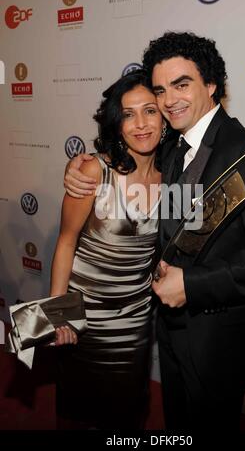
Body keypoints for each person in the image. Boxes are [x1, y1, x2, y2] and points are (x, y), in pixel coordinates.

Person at [64, 32, 245, 431]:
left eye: (182, 84)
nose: (169, 99)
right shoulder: (170, 145)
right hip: (169, 331)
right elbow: (120, 164)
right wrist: (76, 168)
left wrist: (194, 284)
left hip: (219, 339)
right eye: (161, 89)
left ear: (211, 85)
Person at [50, 69, 164, 429]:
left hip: (135, 318)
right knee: (79, 411)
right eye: (128, 114)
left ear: (165, 116)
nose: (141, 124)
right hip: (84, 317)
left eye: (150, 110)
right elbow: (66, 241)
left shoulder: (176, 173)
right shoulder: (92, 171)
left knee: (128, 412)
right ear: (117, 124)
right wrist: (58, 311)